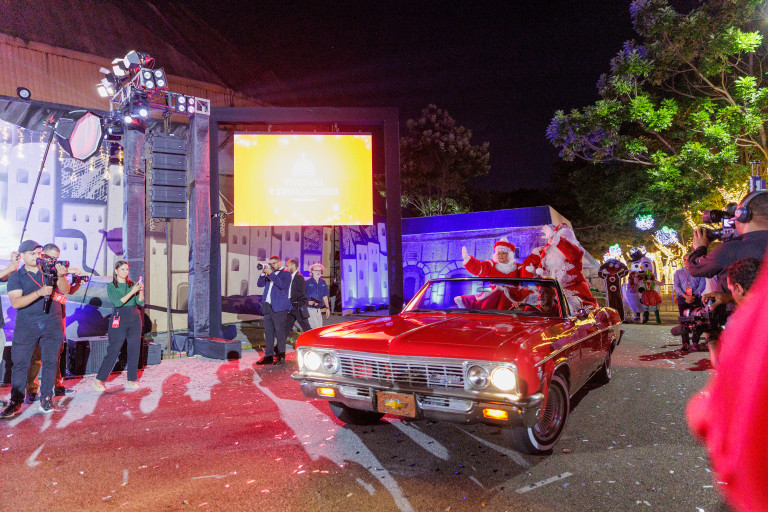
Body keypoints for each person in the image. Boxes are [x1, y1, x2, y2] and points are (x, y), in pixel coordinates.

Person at [686, 254, 766, 511]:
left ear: (738, 288)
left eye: (730, 290)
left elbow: (715, 412)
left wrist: (713, 343)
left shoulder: (747, 326)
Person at [686, 190, 768, 347]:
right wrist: (728, 297)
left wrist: (700, 248)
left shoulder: (732, 249)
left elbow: (695, 267)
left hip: (743, 330)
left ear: (743, 216)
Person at [1, 240, 70, 418]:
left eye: (39, 253)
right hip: (27, 324)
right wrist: (39, 293)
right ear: (22, 255)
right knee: (20, 363)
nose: (37, 257)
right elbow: (16, 302)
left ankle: (46, 398)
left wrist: (61, 276)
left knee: (50, 361)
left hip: (52, 322)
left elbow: (65, 290)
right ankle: (16, 402)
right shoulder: (17, 276)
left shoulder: (49, 271)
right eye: (32, 253)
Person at [25, 243, 82, 401]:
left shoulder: (57, 271)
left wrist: (75, 282)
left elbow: (66, 290)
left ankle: (57, 386)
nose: (53, 261)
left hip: (57, 316)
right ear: (42, 255)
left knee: (56, 352)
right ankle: (31, 390)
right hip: (38, 316)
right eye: (50, 258)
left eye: (56, 258)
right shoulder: (34, 269)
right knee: (36, 354)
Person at [92, 260, 144, 391]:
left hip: (134, 317)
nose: (125, 272)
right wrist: (132, 292)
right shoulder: (111, 286)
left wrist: (140, 290)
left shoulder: (132, 284)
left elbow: (140, 302)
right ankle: (98, 380)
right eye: (122, 269)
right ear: (116, 271)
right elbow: (117, 303)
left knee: (134, 349)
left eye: (127, 269)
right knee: (114, 349)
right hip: (120, 317)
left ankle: (131, 380)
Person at [255, 255, 291, 365]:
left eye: (274, 263)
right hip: (267, 307)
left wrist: (271, 273)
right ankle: (268, 356)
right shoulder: (269, 274)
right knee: (268, 333)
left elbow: (282, 285)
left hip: (279, 308)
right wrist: (263, 273)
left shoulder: (286, 274)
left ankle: (281, 355)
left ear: (280, 263)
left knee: (280, 332)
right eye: (270, 264)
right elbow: (259, 284)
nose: (271, 266)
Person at [673, 256, 706, 351]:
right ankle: (685, 343)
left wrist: (693, 296)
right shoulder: (678, 272)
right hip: (683, 299)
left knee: (698, 321)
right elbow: (676, 286)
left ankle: (695, 342)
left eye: (689, 259)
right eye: (685, 259)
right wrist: (686, 297)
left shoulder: (699, 271)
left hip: (696, 298)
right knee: (684, 321)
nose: (687, 261)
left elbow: (702, 285)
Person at [284, 258, 311, 334]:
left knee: (306, 327)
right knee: (286, 327)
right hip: (292, 306)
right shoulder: (291, 276)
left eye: (288, 266)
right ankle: (281, 342)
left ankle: (313, 339)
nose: (286, 268)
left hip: (298, 307)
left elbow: (301, 293)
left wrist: (290, 299)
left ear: (293, 265)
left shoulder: (299, 277)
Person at [305, 263, 330, 329]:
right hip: (310, 309)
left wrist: (327, 308)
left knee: (319, 328)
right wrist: (307, 302)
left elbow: (325, 296)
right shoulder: (307, 282)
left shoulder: (323, 282)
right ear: (312, 271)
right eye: (316, 270)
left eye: (320, 270)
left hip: (318, 309)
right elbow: (302, 296)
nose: (318, 272)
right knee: (316, 328)